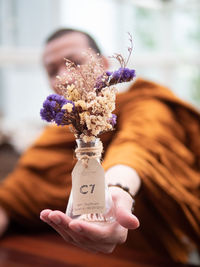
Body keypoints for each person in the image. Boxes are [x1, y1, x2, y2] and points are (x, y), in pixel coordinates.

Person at [0, 28, 199, 263]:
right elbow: (13, 196)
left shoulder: (145, 103)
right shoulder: (54, 137)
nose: (64, 76)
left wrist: (116, 193)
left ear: (103, 64)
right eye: (52, 71)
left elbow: (139, 147)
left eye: (74, 62)